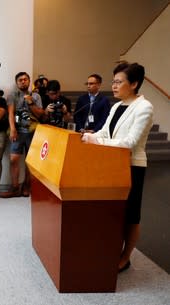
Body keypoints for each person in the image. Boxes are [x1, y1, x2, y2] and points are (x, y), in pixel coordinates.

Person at [81, 62, 153, 272]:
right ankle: (110, 248)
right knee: (114, 211)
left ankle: (125, 256)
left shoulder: (144, 107)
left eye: (119, 82)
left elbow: (129, 142)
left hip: (132, 166)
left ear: (134, 84)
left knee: (131, 215)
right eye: (113, 81)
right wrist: (88, 137)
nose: (113, 86)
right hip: (111, 165)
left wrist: (97, 142)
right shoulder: (116, 106)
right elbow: (105, 133)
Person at [1, 72, 44, 198]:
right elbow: (10, 113)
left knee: (30, 162)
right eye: (20, 80)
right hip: (18, 132)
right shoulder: (12, 96)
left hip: (33, 132)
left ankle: (26, 186)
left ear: (29, 81)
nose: (23, 81)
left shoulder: (35, 96)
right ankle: (15, 188)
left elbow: (40, 114)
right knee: (13, 159)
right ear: (17, 82)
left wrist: (31, 103)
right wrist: (13, 128)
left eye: (25, 79)